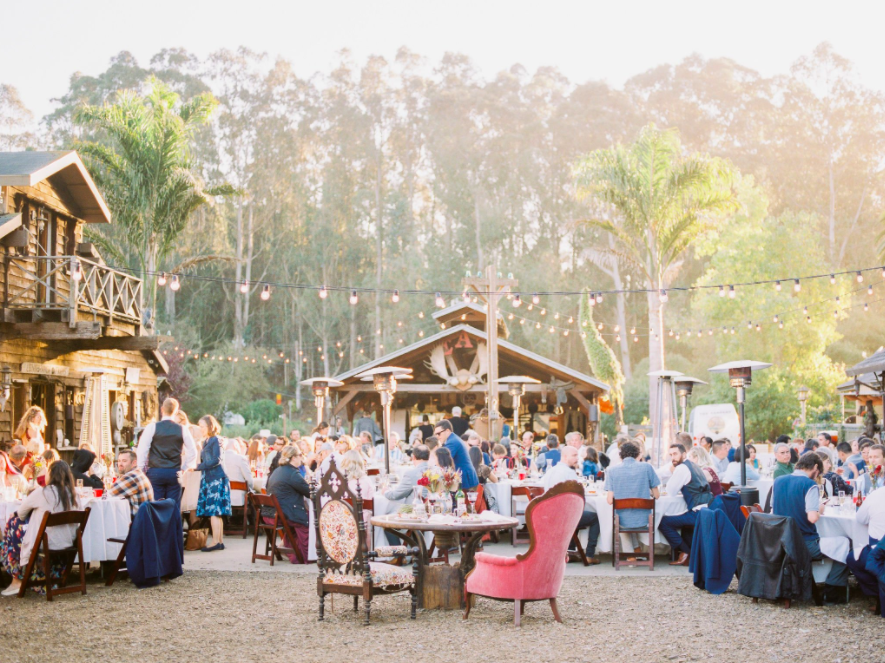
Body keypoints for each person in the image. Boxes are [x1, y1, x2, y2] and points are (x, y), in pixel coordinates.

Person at [772, 453, 849, 602]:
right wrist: (819, 509)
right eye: (818, 472)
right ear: (815, 467)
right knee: (845, 543)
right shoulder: (809, 484)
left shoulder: (778, 481)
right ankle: (833, 589)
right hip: (804, 544)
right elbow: (812, 518)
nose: (817, 475)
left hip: (780, 542)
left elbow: (772, 509)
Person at [1, 461, 82, 596]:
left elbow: (21, 513)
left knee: (13, 523)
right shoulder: (74, 494)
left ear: (50, 474)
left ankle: (18, 577)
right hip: (67, 543)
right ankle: (41, 576)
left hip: (45, 543)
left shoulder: (42, 492)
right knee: (20, 526)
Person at [136, 397, 197, 509]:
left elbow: (142, 450)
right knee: (173, 508)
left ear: (162, 409)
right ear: (176, 411)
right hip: (174, 472)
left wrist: (140, 469)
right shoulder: (182, 429)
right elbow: (193, 452)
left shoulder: (152, 427)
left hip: (155, 471)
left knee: (155, 507)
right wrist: (184, 468)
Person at [543, 445, 600, 564]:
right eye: (574, 455)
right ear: (564, 456)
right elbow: (577, 497)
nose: (577, 458)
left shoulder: (550, 471)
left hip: (549, 514)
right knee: (595, 517)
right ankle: (589, 554)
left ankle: (570, 551)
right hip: (562, 516)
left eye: (577, 455)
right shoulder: (569, 473)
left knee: (575, 512)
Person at [658, 443, 713, 566]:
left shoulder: (682, 468)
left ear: (684, 454)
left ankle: (685, 552)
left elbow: (671, 491)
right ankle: (690, 554)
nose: (673, 457)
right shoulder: (694, 466)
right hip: (708, 509)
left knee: (663, 522)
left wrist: (673, 474)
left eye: (675, 454)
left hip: (699, 513)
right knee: (682, 521)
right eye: (671, 455)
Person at [605, 441, 661, 559]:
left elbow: (610, 500)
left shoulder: (612, 470)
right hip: (643, 519)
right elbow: (657, 495)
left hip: (623, 520)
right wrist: (645, 491)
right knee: (628, 518)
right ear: (637, 454)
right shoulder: (647, 467)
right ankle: (635, 551)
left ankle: (631, 555)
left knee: (622, 519)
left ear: (621, 455)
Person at [263, 445, 310, 564]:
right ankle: (304, 555)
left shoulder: (277, 470)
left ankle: (289, 550)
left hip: (270, 514)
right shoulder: (292, 473)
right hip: (283, 515)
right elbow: (309, 492)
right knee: (310, 519)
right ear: (293, 458)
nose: (301, 457)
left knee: (301, 517)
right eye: (300, 455)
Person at [847, 469, 885, 606]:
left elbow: (860, 518)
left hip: (879, 551)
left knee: (853, 559)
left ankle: (875, 593)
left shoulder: (876, 495)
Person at [193, 415, 231, 552]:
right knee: (216, 512)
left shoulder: (215, 439)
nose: (200, 429)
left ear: (210, 426)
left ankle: (215, 541)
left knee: (214, 511)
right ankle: (219, 541)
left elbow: (216, 459)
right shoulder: (207, 441)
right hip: (211, 477)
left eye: (202, 426)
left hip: (216, 478)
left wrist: (198, 467)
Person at [107, 449, 154, 516]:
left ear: (134, 463)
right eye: (119, 461)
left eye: (124, 461)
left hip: (137, 519)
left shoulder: (131, 477)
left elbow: (110, 493)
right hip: (146, 517)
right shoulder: (138, 473)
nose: (120, 464)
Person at [433, 420, 479, 490]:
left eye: (439, 434)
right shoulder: (453, 439)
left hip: (465, 480)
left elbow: (442, 461)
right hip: (466, 478)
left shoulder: (452, 442)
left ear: (447, 431)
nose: (437, 436)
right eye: (435, 434)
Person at [223, 437, 255, 507]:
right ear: (235, 446)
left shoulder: (220, 458)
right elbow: (249, 479)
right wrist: (251, 489)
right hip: (238, 498)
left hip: (222, 497)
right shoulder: (240, 458)